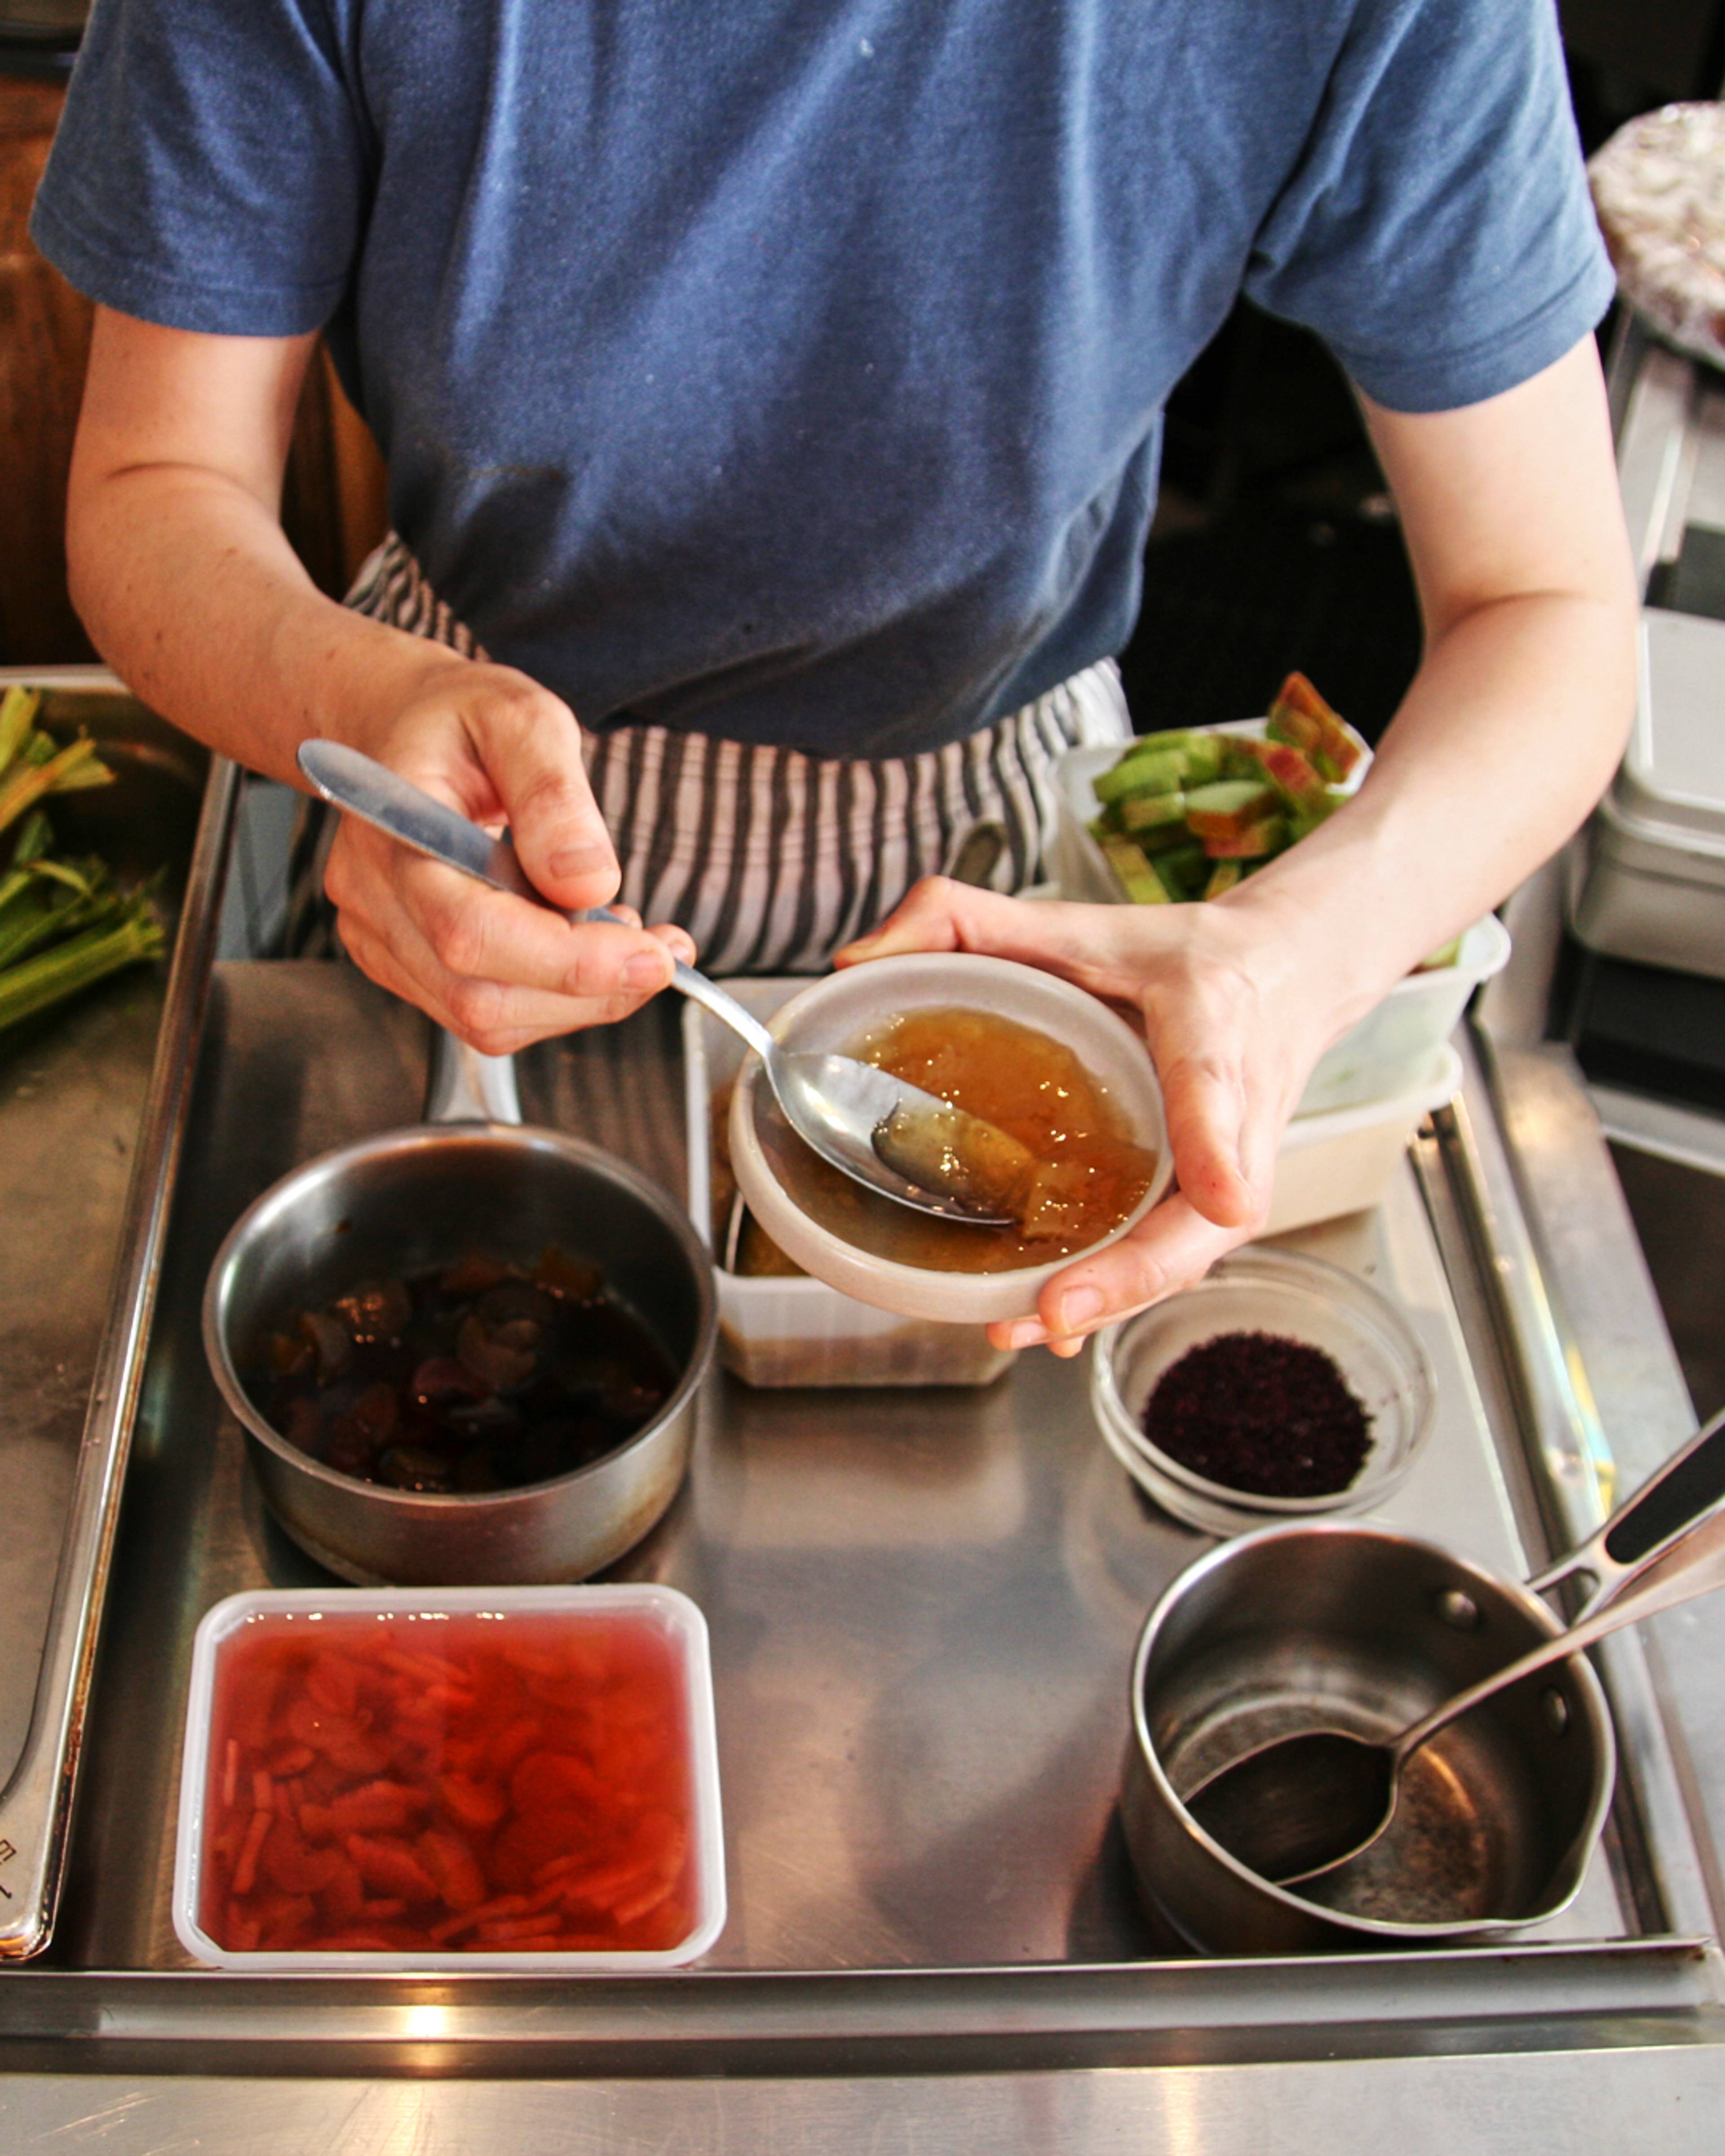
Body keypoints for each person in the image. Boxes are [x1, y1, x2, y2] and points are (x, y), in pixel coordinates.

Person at [34, 0, 1637, 1357]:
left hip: (1009, 864)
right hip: (460, 811)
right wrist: (355, 706)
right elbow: (153, 487)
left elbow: (1551, 605)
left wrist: (1281, 963)